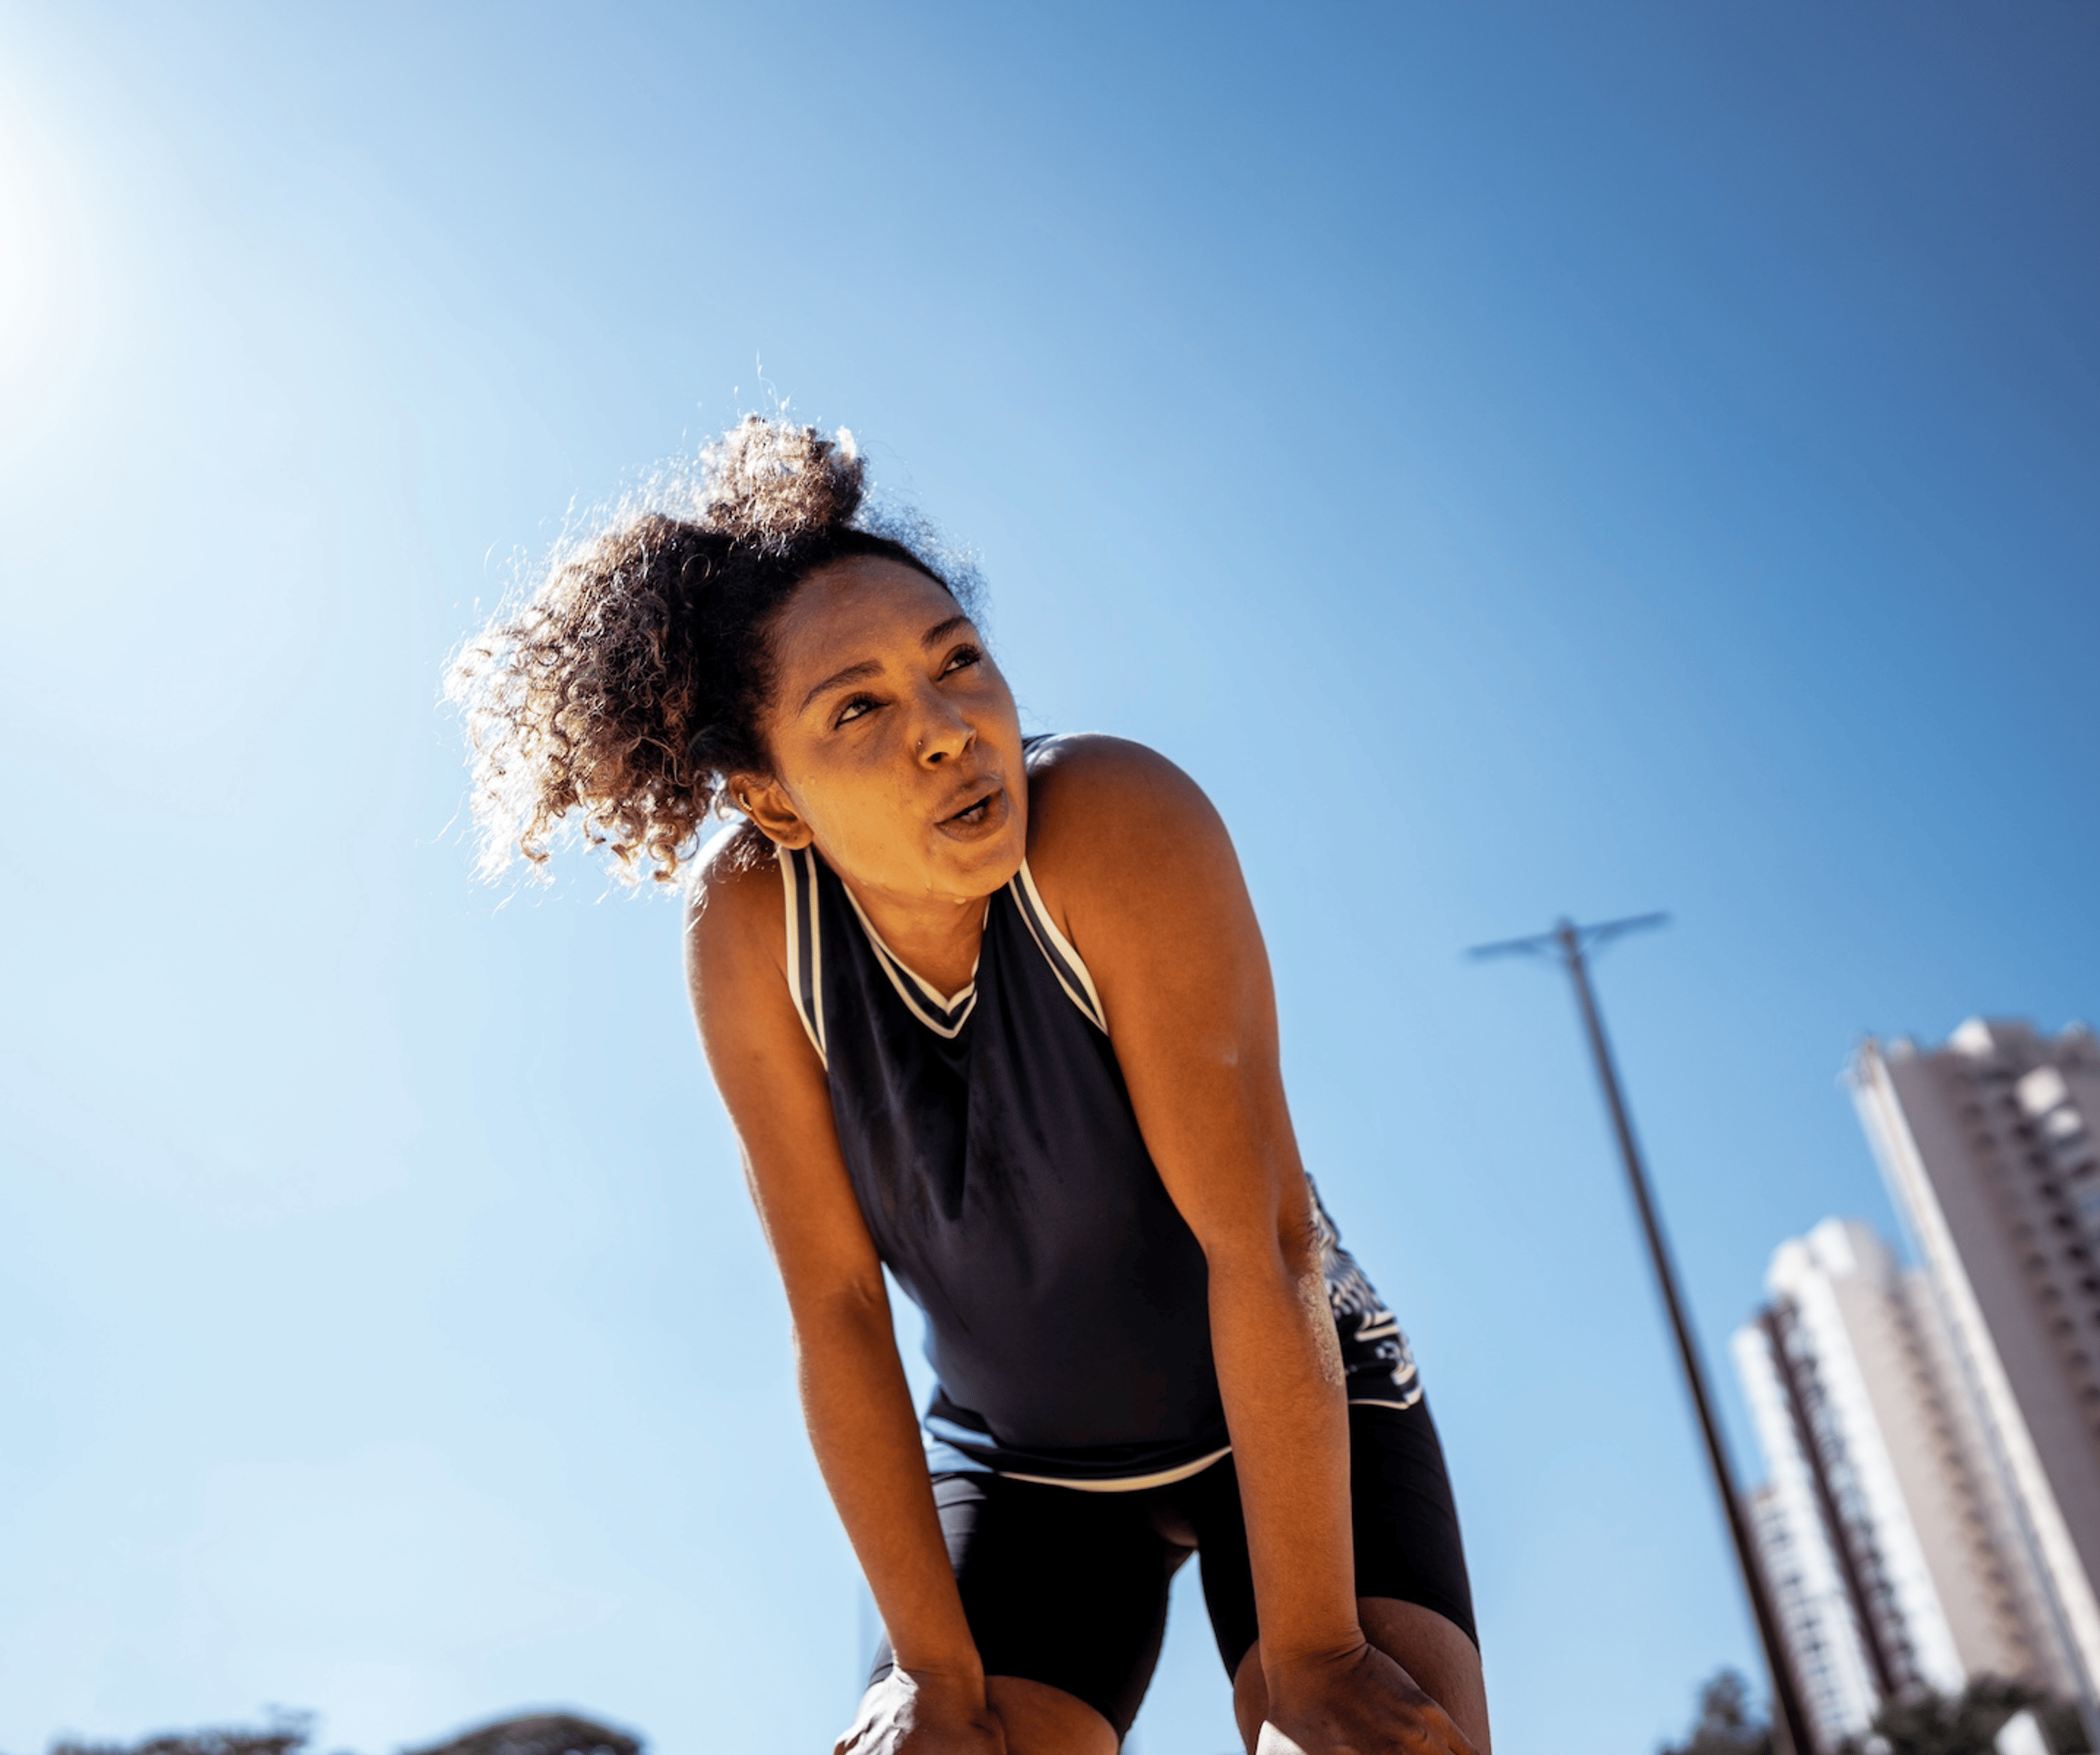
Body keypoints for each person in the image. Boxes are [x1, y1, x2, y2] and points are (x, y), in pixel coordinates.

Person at [447, 417, 1486, 1755]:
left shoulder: (1117, 822)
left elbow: (1265, 1242)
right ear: (773, 800)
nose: (947, 730)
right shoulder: (754, 927)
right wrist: (933, 1674)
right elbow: (835, 1309)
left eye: (958, 664)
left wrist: (1316, 1656)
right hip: (1021, 1467)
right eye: (859, 708)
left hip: (1285, 1404)